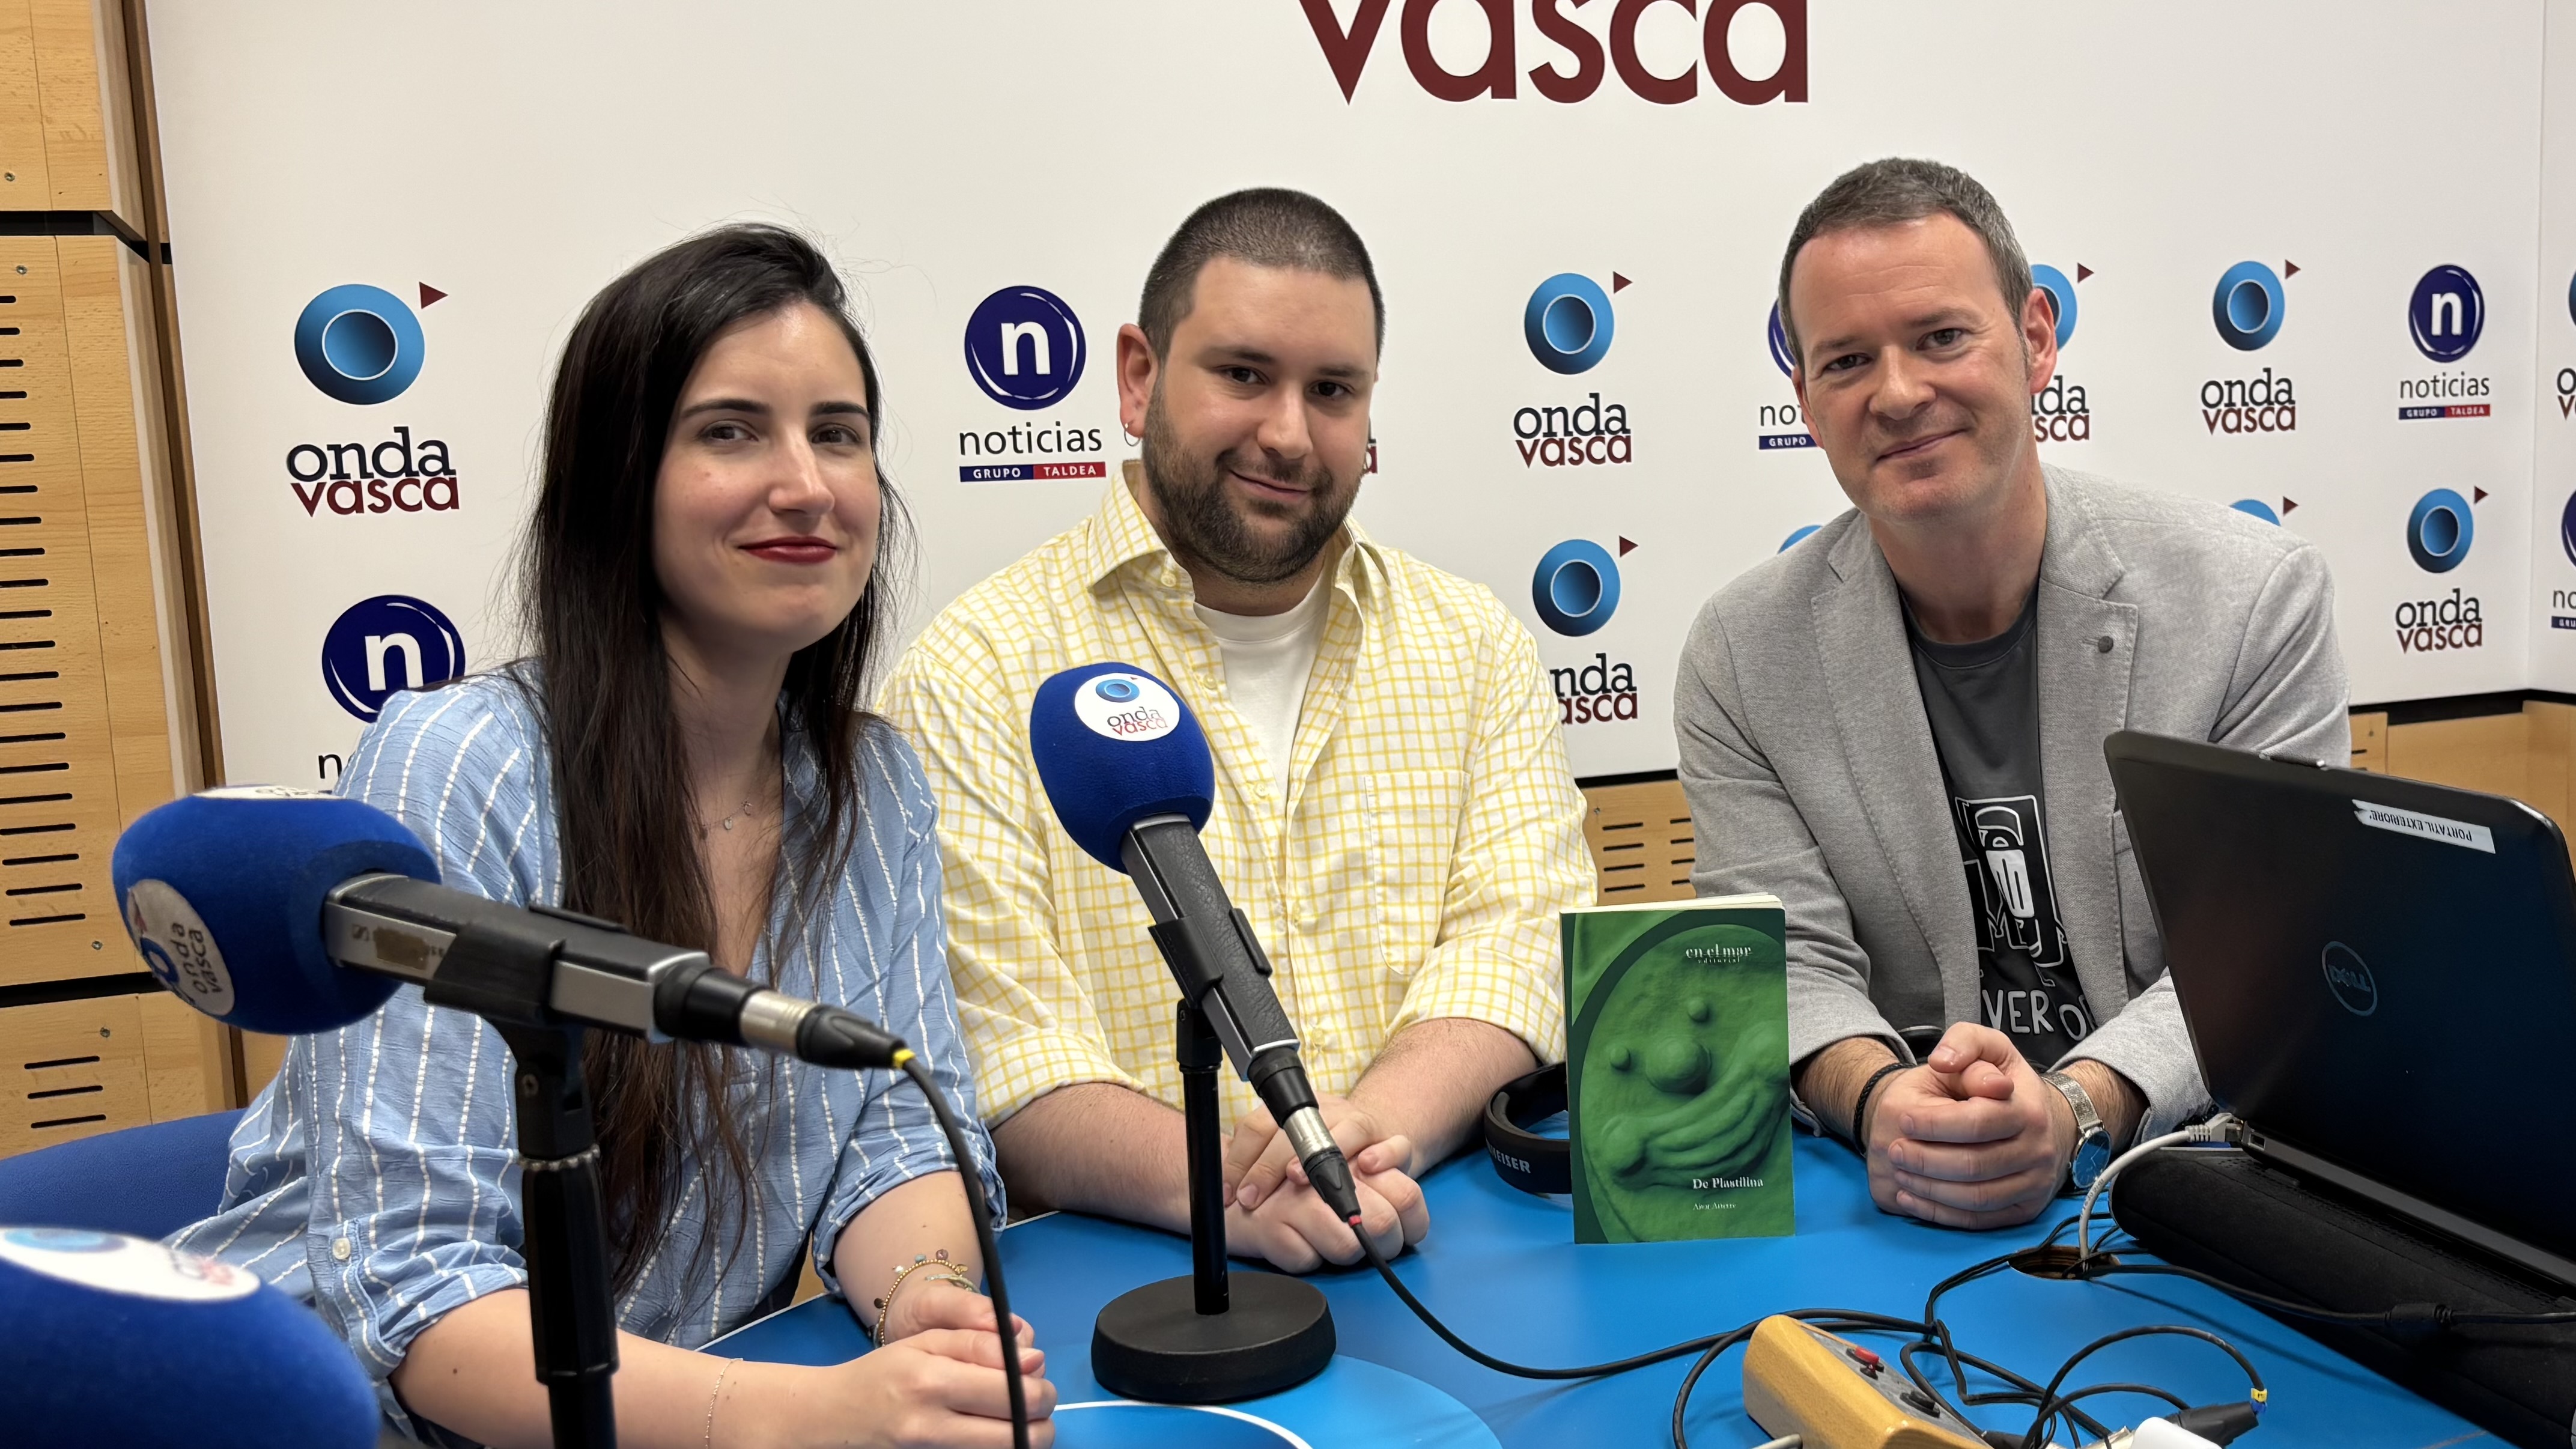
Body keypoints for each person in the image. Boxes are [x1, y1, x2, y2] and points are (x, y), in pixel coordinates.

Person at [173, 226, 1056, 1447]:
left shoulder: (875, 784)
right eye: (729, 430)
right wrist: (811, 1415)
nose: (805, 483)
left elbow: (900, 1128)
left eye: (837, 433)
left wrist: (925, 1307)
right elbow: (417, 1298)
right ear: (615, 479)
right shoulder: (460, 767)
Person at [879, 188, 1595, 1273]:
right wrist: (1230, 1188)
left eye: (1333, 391)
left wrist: (1360, 1141)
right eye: (1243, 375)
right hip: (1136, 1295)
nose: (1288, 434)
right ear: (1138, 376)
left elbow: (1520, 945)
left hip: (1437, 1244)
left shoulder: (1475, 643)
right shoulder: (971, 673)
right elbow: (999, 1047)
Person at [1673, 159, 2347, 1230]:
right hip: (1901, 1197)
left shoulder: (2252, 600)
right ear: (1803, 396)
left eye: (1942, 337)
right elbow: (1785, 956)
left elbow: (2273, 954)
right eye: (1847, 360)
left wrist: (2076, 1107)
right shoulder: (1741, 652)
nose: (1896, 394)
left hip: (2197, 1179)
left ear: (2036, 337)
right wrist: (1884, 1101)